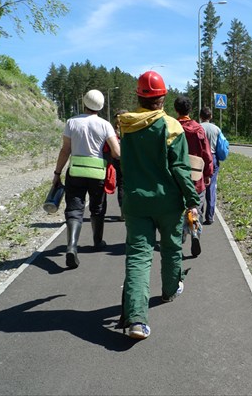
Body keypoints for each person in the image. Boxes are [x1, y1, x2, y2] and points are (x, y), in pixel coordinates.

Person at [118, 71, 200, 340]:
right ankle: (168, 291)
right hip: (168, 202)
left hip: (136, 203)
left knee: (139, 258)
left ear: (139, 96)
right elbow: (180, 169)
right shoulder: (172, 127)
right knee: (170, 247)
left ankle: (136, 321)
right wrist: (192, 200)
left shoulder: (126, 125)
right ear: (163, 97)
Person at [52, 89, 120, 269]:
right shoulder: (105, 125)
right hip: (97, 173)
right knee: (97, 208)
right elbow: (116, 152)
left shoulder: (71, 122)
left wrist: (57, 173)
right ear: (101, 106)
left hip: (76, 171)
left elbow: (65, 150)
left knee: (74, 209)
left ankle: (72, 246)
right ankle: (97, 242)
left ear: (84, 103)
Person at [174, 96, 214, 257]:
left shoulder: (172, 127)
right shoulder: (198, 129)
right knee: (195, 207)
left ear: (176, 109)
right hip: (196, 175)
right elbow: (206, 153)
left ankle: (181, 232)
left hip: (177, 176)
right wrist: (208, 173)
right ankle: (194, 232)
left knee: (178, 207)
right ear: (190, 110)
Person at [199, 106, 222, 225]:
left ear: (200, 116)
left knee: (199, 185)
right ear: (211, 116)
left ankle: (199, 213)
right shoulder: (216, 129)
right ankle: (210, 216)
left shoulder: (198, 128)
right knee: (211, 187)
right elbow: (221, 147)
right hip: (213, 158)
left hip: (199, 159)